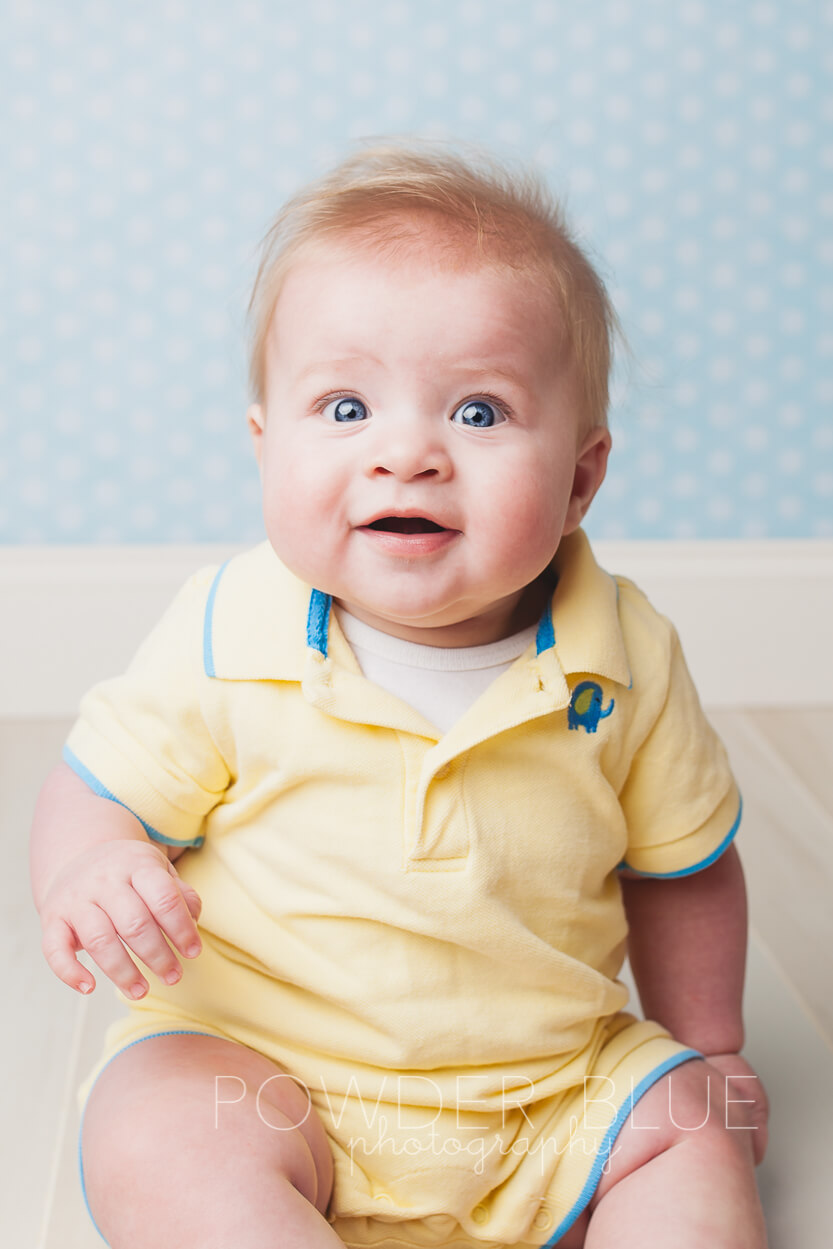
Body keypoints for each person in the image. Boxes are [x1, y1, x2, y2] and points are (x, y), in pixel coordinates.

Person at [30, 140, 769, 1249]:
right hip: (265, 1073)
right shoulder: (228, 634)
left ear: (579, 477)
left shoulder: (622, 656)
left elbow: (683, 870)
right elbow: (97, 790)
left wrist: (707, 1047)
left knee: (687, 1133)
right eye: (343, 408)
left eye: (477, 413)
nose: (405, 454)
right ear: (263, 443)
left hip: (546, 1088)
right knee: (154, 1127)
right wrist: (92, 864)